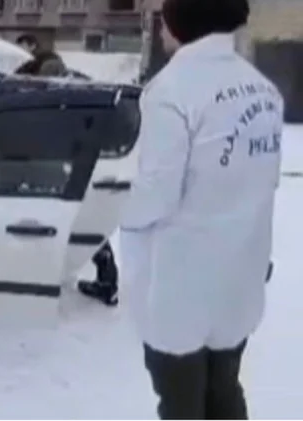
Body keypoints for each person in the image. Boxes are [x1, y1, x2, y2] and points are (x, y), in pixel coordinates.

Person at [119, 0, 284, 418]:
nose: (159, 27)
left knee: (182, 405)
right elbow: (263, 181)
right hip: (238, 281)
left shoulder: (172, 90)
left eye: (166, 16)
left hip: (182, 290)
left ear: (183, 22)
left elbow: (157, 194)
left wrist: (115, 209)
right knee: (224, 392)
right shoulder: (264, 90)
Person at [11, 52, 120, 307]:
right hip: (83, 160)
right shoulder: (83, 85)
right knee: (85, 220)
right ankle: (107, 280)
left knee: (64, 219)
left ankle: (45, 275)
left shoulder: (51, 89)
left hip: (65, 162)